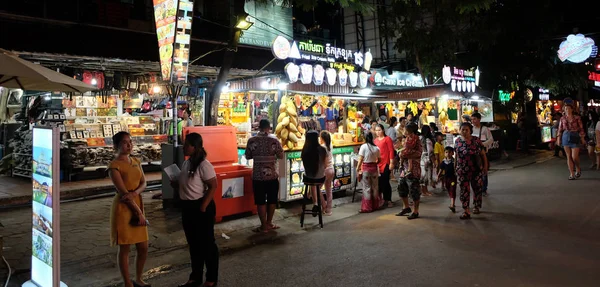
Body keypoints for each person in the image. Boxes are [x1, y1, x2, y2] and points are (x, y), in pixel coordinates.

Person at [173, 133, 219, 287]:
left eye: (187, 145)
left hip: (200, 207)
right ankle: (195, 277)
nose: (184, 147)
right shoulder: (187, 163)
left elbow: (213, 186)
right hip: (188, 208)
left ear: (195, 147)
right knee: (193, 244)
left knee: (207, 245)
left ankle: (211, 278)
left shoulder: (204, 165)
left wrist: (203, 206)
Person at [108, 132, 150, 287]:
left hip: (137, 202)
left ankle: (139, 277)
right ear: (116, 146)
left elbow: (144, 183)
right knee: (125, 247)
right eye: (125, 142)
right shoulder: (114, 166)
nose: (129, 145)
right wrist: (137, 211)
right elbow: (124, 194)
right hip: (123, 208)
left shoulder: (136, 161)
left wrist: (135, 193)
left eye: (130, 142)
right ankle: (127, 282)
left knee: (143, 246)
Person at [245, 119, 284, 233]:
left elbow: (247, 156)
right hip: (272, 175)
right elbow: (281, 155)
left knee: (260, 201)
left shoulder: (252, 140)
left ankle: (263, 226)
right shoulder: (274, 140)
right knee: (272, 200)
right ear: (269, 127)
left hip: (258, 176)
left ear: (258, 127)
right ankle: (269, 223)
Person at [455, 123, 488, 219]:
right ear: (460, 130)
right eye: (463, 130)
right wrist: (455, 168)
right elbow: (456, 156)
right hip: (462, 170)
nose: (464, 132)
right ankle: (466, 210)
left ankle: (476, 206)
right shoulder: (457, 142)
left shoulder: (476, 141)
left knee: (477, 188)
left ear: (470, 131)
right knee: (464, 190)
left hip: (476, 170)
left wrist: (485, 167)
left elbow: (483, 155)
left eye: (466, 130)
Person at [396, 123, 423, 220]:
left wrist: (403, 154)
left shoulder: (414, 138)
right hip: (405, 167)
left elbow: (413, 152)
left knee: (414, 189)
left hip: (413, 168)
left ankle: (415, 211)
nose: (403, 130)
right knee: (401, 186)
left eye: (404, 129)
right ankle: (406, 207)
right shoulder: (406, 138)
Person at [302, 130, 328, 216]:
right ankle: (320, 204)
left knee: (312, 184)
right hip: (321, 178)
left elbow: (305, 166)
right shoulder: (323, 150)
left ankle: (315, 203)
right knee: (316, 185)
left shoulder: (304, 151)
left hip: (308, 178)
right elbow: (325, 165)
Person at [557, 104, 586, 179]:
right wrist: (558, 139)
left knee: (574, 157)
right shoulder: (562, 118)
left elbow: (581, 128)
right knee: (568, 156)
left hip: (575, 136)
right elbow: (560, 129)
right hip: (566, 136)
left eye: (569, 108)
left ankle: (578, 168)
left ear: (572, 109)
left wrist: (582, 138)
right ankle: (571, 174)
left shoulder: (577, 118)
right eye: (566, 109)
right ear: (564, 110)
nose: (567, 110)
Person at [356, 132, 383, 213]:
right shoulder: (376, 148)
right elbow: (379, 160)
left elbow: (360, 159)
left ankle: (367, 207)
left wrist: (357, 168)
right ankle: (375, 205)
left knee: (367, 188)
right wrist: (374, 163)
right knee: (375, 187)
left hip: (366, 169)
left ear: (365, 138)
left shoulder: (363, 147)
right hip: (374, 169)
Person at [471, 112, 493, 196]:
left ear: (479, 119)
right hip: (473, 154)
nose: (473, 121)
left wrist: (483, 144)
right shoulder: (471, 129)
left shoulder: (485, 129)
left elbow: (491, 139)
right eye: (472, 119)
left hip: (482, 154)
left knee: (484, 170)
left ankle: (484, 188)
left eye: (474, 119)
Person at [374, 124, 395, 208]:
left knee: (385, 182)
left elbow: (391, 151)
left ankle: (388, 200)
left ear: (383, 130)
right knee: (379, 183)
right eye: (376, 130)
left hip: (386, 163)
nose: (378, 132)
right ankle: (382, 200)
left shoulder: (387, 139)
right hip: (377, 164)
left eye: (379, 130)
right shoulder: (375, 141)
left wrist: (391, 163)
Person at [437, 146, 457, 212]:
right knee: (448, 188)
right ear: (444, 153)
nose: (448, 153)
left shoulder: (454, 161)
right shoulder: (443, 162)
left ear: (452, 153)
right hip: (446, 179)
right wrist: (438, 176)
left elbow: (456, 169)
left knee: (452, 189)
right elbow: (441, 169)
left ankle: (452, 204)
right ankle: (452, 199)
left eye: (450, 152)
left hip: (453, 179)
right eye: (446, 152)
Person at [320, 131, 335, 216]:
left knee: (317, 189)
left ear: (322, 138)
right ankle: (329, 210)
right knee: (329, 190)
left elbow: (322, 161)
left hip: (325, 170)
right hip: (331, 169)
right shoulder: (330, 146)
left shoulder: (322, 147)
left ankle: (324, 206)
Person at [419, 125, 435, 195]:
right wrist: (433, 161)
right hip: (426, 158)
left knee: (422, 174)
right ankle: (425, 191)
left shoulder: (419, 138)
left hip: (420, 158)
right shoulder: (428, 140)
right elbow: (430, 152)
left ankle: (423, 190)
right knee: (426, 174)